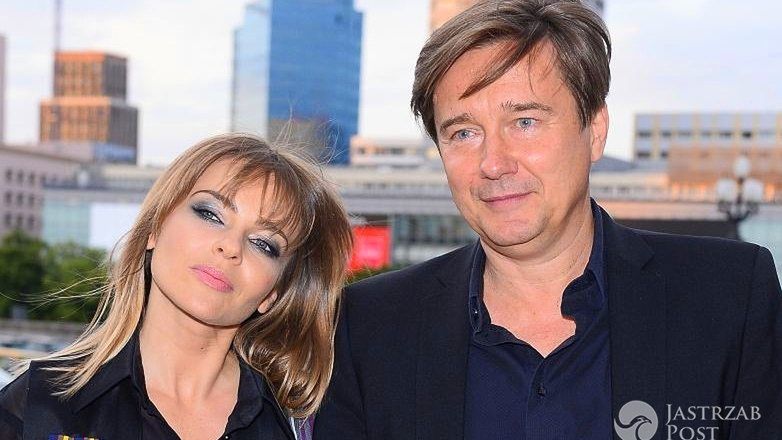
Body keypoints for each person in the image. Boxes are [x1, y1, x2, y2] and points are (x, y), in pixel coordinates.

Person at [314, 1, 782, 439]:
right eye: (463, 133)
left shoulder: (729, 296)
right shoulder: (370, 325)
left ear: (594, 130)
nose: (493, 163)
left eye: (525, 122)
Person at [0, 133, 353, 440]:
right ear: (155, 228)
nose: (230, 247)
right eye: (210, 214)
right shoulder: (38, 403)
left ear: (273, 293)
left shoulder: (298, 427)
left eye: (264, 244)